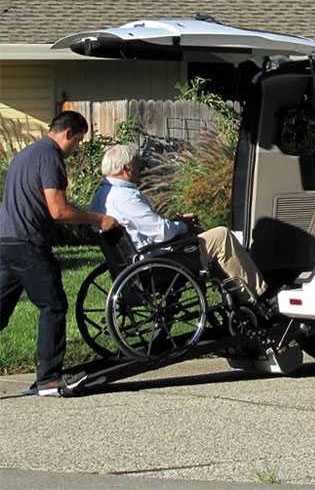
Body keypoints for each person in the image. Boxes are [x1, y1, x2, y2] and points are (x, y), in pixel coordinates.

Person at [0, 111, 119, 396]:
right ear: (68, 133)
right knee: (53, 305)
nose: (76, 149)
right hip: (28, 243)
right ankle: (49, 378)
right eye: (78, 142)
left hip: (5, 241)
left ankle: (47, 376)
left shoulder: (24, 155)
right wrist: (98, 219)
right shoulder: (50, 157)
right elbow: (59, 211)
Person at [90, 144, 267, 305]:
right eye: (137, 167)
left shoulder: (100, 197)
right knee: (221, 236)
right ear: (126, 169)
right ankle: (257, 295)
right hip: (156, 265)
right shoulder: (126, 197)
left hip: (132, 266)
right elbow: (161, 232)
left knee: (204, 240)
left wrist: (176, 223)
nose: (140, 171)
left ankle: (235, 292)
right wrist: (183, 225)